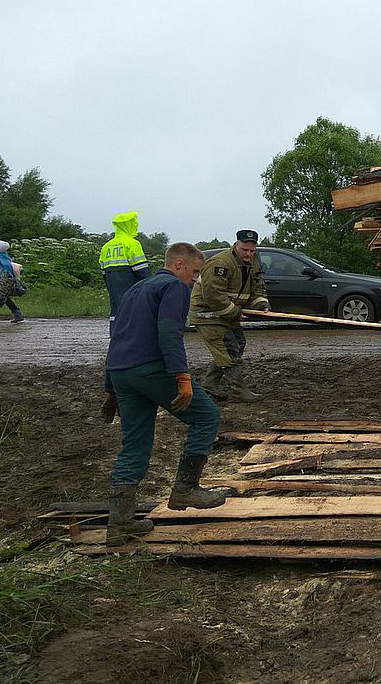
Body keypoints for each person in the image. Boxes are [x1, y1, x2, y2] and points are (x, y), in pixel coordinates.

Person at [104, 243, 226, 546]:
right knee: (207, 416)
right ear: (179, 264)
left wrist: (110, 389)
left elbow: (118, 334)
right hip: (152, 368)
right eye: (195, 272)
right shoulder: (173, 286)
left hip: (123, 373)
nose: (195, 280)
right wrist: (183, 377)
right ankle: (186, 488)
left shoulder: (136, 289)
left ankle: (119, 525)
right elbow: (169, 331)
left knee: (134, 446)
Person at [190, 229, 271, 402]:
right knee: (229, 348)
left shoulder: (254, 261)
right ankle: (238, 391)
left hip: (226, 314)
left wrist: (262, 305)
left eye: (252, 250)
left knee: (238, 343)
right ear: (236, 245)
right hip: (208, 314)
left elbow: (258, 286)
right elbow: (213, 295)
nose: (248, 254)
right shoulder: (220, 263)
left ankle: (210, 384)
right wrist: (234, 312)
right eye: (245, 250)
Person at [98, 212, 152, 423]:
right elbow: (144, 277)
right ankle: (132, 397)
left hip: (116, 310)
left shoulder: (106, 248)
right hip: (136, 309)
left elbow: (105, 278)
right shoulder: (133, 245)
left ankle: (112, 393)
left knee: (116, 350)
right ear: (130, 224)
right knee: (140, 350)